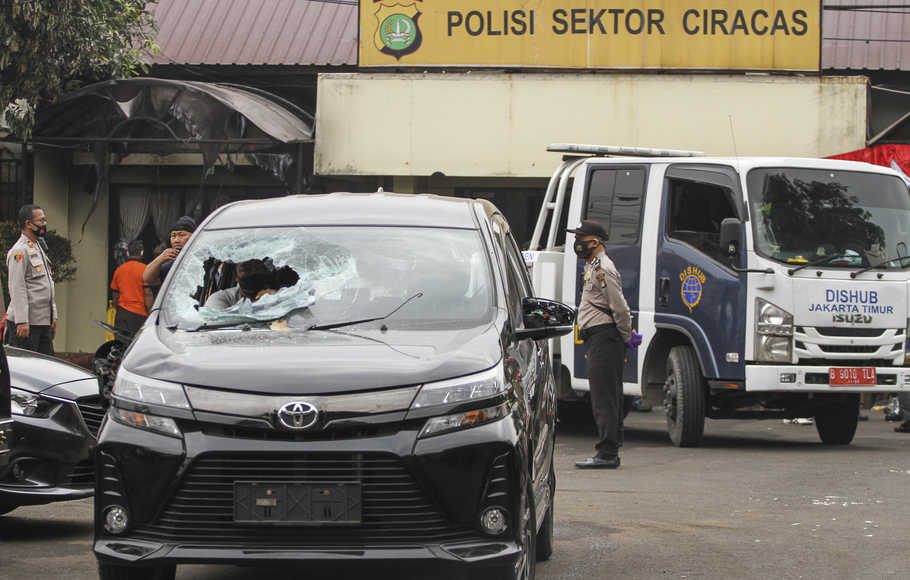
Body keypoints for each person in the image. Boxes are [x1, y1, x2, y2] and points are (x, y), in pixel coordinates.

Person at [569, 220, 633, 469]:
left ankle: (607, 453)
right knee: (607, 393)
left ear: (595, 241)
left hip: (605, 337)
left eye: (581, 238)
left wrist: (625, 336)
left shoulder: (603, 268)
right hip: (601, 336)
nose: (577, 243)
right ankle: (610, 450)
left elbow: (619, 307)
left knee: (603, 396)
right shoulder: (593, 266)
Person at [5, 205, 57, 355]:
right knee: (27, 369)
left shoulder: (37, 246)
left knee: (46, 368)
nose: (44, 223)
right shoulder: (19, 251)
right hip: (27, 324)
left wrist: (53, 315)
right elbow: (17, 287)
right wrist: (21, 320)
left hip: (42, 321)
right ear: (28, 224)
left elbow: (47, 284)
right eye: (41, 220)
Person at [142, 216, 195, 311]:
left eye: (182, 235)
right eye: (173, 236)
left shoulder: (203, 260)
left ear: (195, 236)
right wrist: (160, 258)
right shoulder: (170, 264)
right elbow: (147, 278)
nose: (176, 240)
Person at [109, 240, 148, 335]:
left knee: (121, 344)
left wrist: (116, 309)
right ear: (141, 252)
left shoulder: (119, 270)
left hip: (122, 313)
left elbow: (115, 295)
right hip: (140, 314)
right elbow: (148, 293)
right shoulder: (146, 269)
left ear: (127, 252)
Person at [204, 260, 277, 309]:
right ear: (236, 277)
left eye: (256, 268)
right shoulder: (219, 299)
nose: (252, 270)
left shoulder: (278, 296)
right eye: (245, 269)